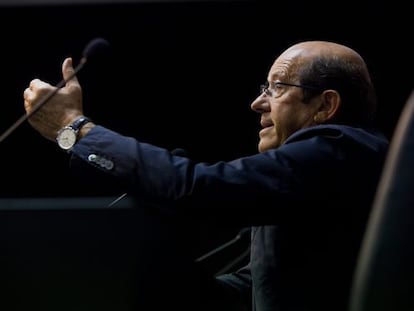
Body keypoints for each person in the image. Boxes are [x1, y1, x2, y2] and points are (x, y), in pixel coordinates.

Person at [23, 40, 389, 311]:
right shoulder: (313, 176)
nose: (258, 103)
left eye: (277, 87)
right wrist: (123, 274)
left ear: (326, 105)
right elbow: (257, 289)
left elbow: (200, 188)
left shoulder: (342, 147)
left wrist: (76, 129)